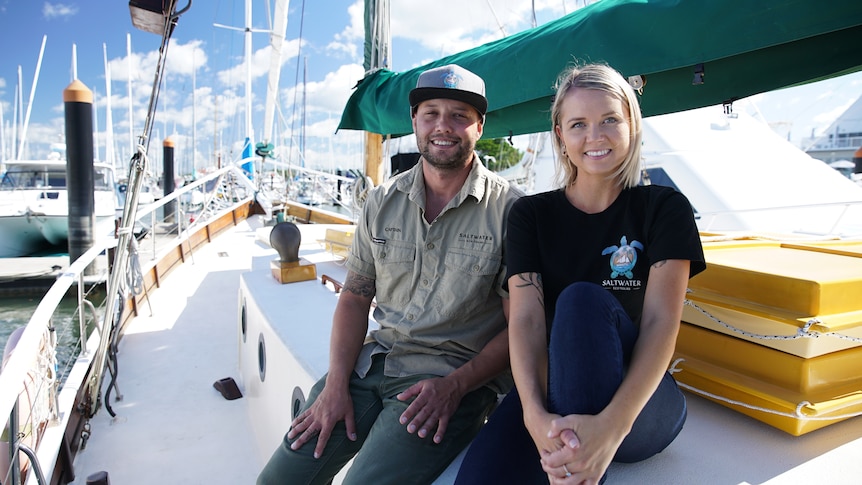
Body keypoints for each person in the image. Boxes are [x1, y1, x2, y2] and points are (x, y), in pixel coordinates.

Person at [257, 64, 521, 485]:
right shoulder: (381, 201)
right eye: (431, 113)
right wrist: (335, 386)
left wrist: (456, 386)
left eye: (458, 115)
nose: (443, 126)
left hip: (447, 382)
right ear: (414, 121)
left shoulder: (511, 212)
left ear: (479, 126)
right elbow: (355, 298)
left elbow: (521, 326)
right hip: (373, 364)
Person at [454, 63, 706, 484]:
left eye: (610, 119)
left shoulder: (663, 209)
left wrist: (612, 428)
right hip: (554, 392)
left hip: (641, 406)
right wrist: (533, 416)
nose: (595, 136)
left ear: (631, 124)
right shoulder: (530, 216)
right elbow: (528, 320)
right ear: (560, 136)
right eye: (578, 124)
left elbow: (662, 323)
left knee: (581, 300)